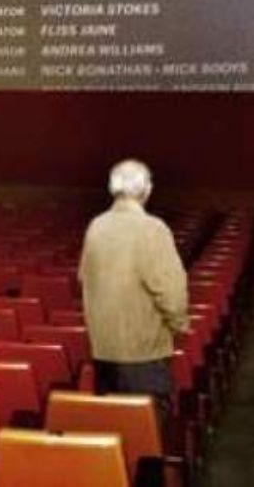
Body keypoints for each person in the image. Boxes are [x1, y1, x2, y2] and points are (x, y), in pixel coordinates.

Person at [78, 158, 189, 424]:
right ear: (146, 190)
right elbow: (171, 293)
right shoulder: (152, 229)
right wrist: (178, 326)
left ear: (112, 188)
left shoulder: (96, 226)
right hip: (143, 356)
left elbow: (83, 277)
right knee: (146, 441)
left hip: (103, 353)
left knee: (112, 435)